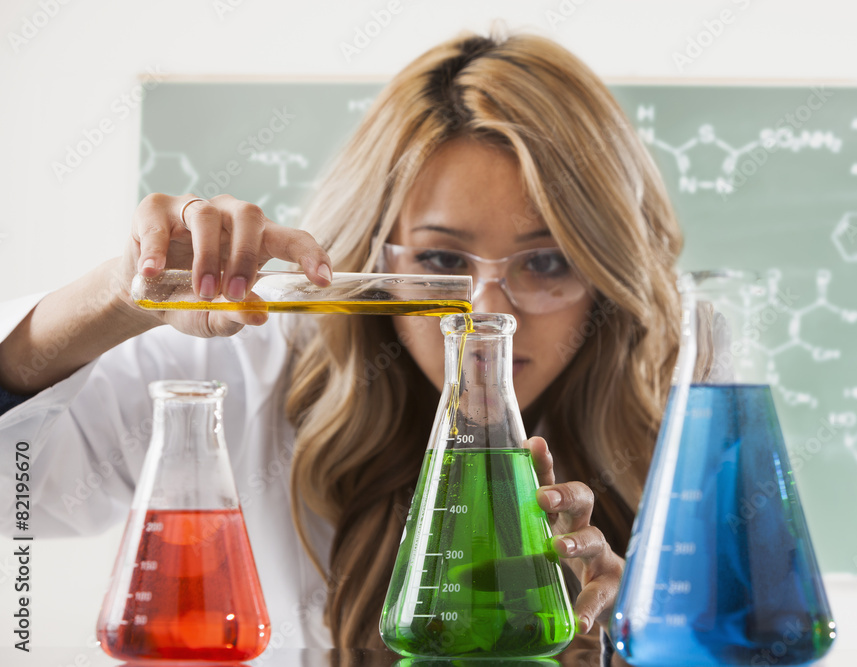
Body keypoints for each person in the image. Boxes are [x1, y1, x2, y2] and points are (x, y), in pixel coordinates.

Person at [0, 30, 682, 652]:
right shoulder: (243, 367)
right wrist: (121, 295)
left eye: (549, 262)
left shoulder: (682, 434)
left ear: (607, 274)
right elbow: (16, 489)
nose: (486, 312)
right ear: (376, 254)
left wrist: (642, 640)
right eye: (443, 260)